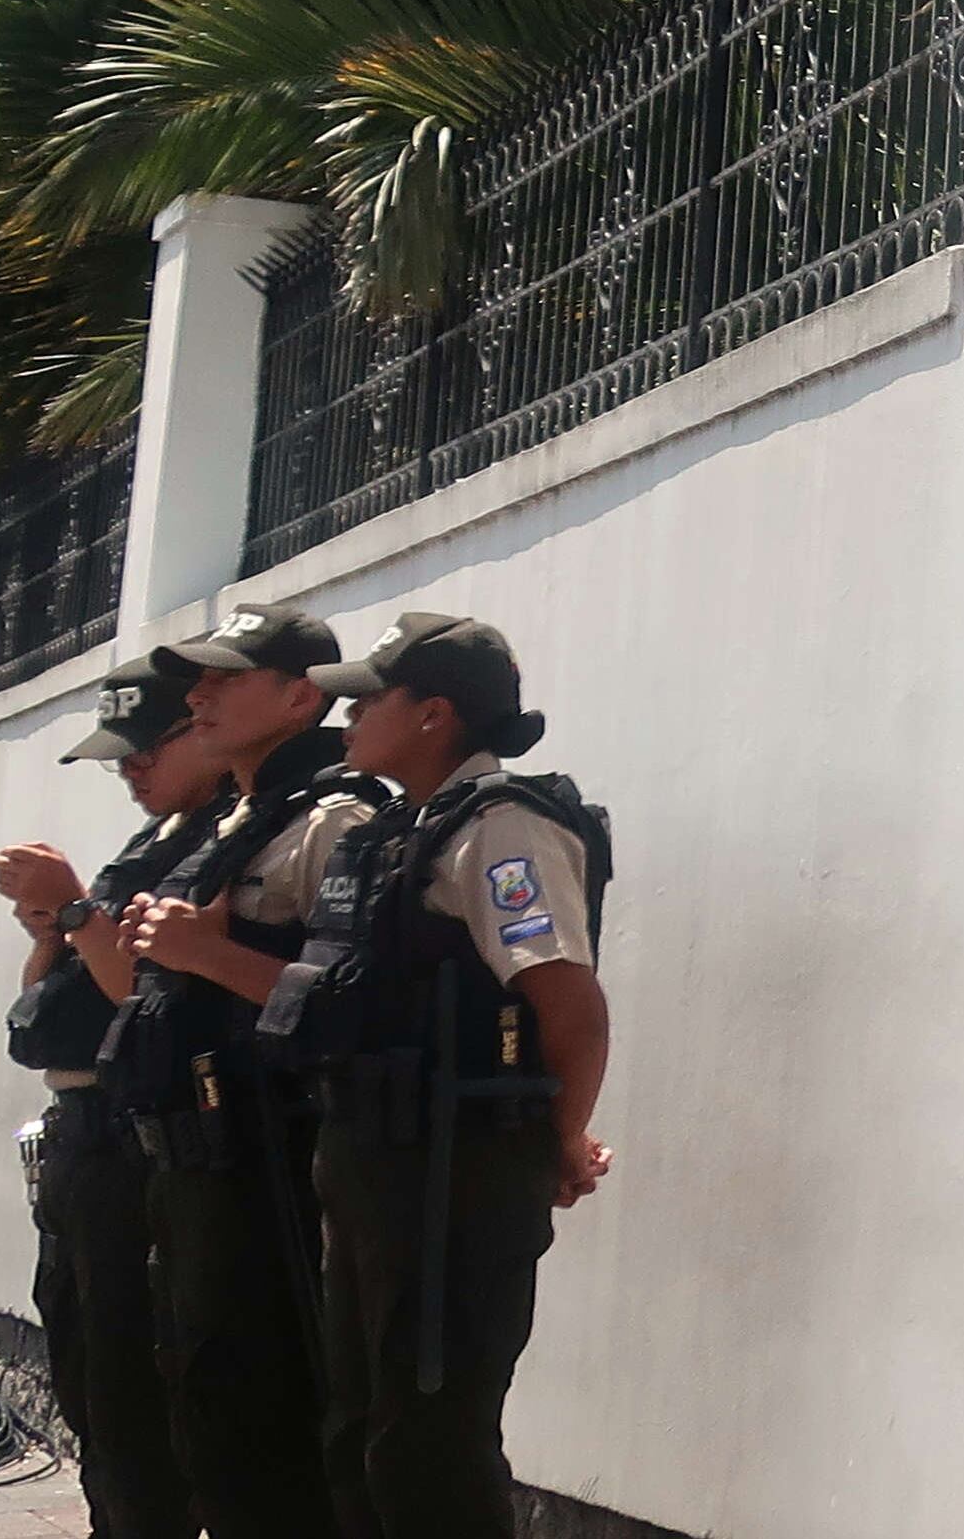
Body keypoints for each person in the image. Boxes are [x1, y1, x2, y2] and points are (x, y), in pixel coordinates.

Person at [256, 612, 612, 1539]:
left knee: (428, 1446)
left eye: (370, 698)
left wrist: (557, 1141)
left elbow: (568, 1003)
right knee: (359, 1435)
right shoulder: (401, 831)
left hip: (454, 1175)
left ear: (433, 714)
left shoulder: (504, 829)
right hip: (377, 1164)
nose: (346, 719)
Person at [111, 607, 384, 1539]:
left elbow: (352, 1009)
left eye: (227, 678)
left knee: (272, 1424)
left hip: (274, 1167)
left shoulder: (336, 819)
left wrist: (204, 953)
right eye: (200, 680)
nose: (198, 696)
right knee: (209, 1417)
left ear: (303, 697)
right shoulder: (233, 820)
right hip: (197, 1164)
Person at [0, 654, 231, 1539]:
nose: (129, 774)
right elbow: (40, 1017)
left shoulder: (220, 844)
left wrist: (79, 913)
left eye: (141, 754)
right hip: (80, 1134)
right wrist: (52, 926)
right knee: (87, 1373)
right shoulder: (152, 844)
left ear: (200, 731)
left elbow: (154, 1001)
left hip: (138, 1138)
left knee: (134, 1380)